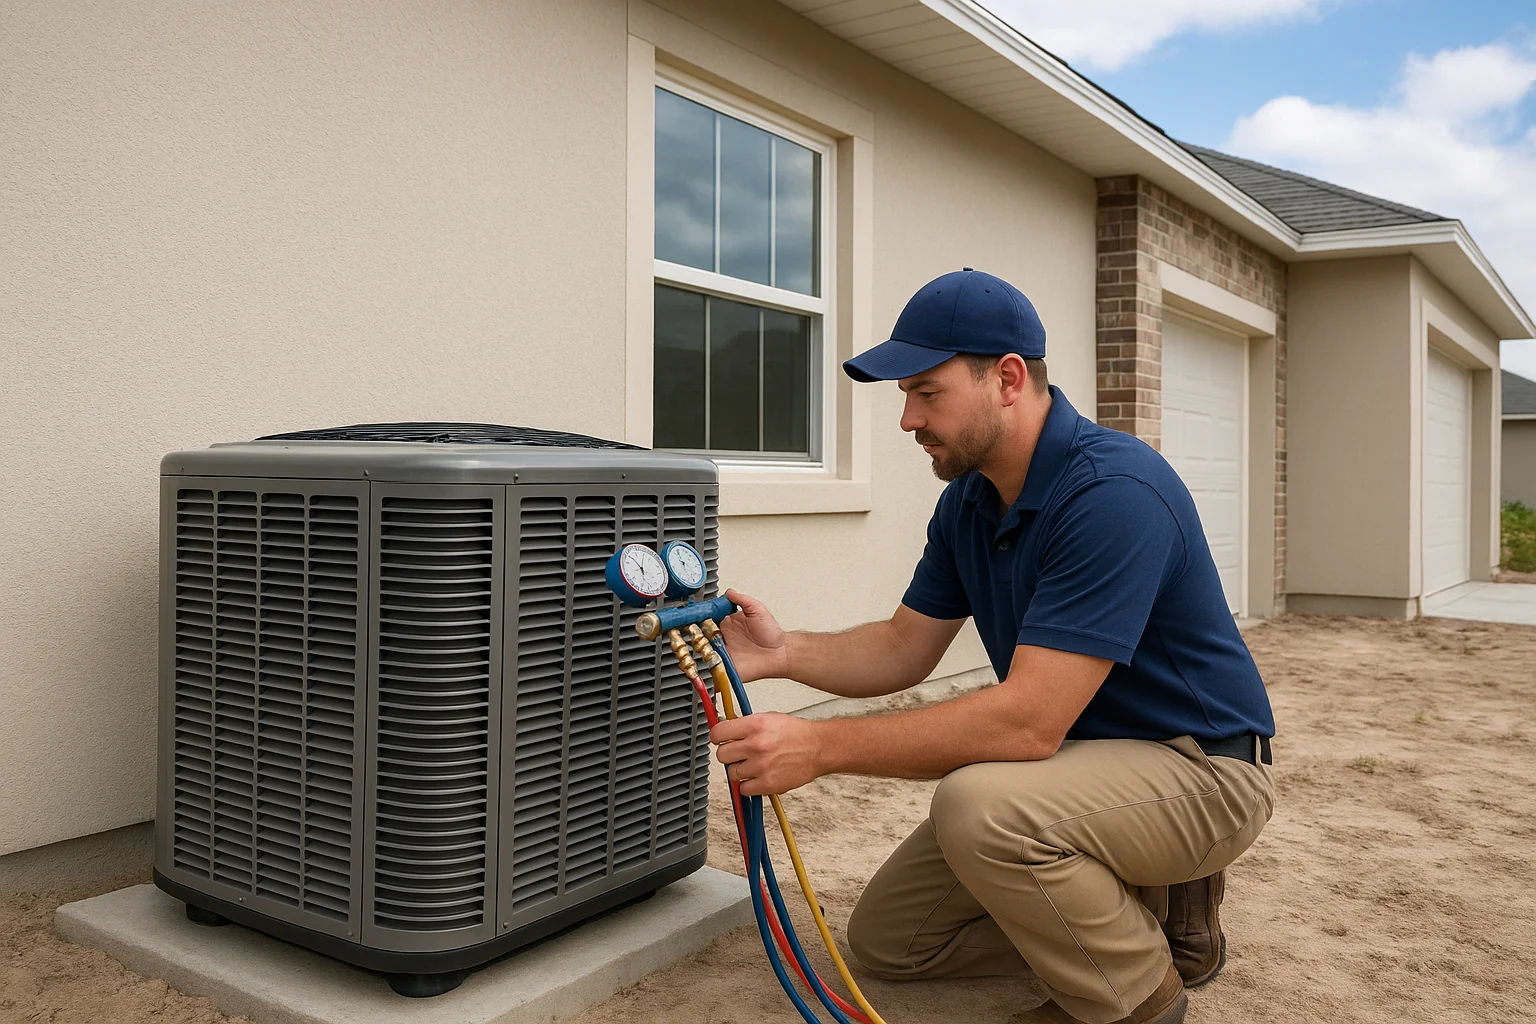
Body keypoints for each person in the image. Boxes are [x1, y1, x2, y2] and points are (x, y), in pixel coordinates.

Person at [711, 268, 1277, 1024]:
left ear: (1008, 378)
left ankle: (1135, 996)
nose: (908, 419)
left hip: (1200, 770)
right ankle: (1142, 902)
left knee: (980, 805)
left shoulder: (1115, 493)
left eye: (926, 392)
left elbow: (1026, 722)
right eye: (905, 396)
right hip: (1075, 772)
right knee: (892, 942)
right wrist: (782, 654)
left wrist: (818, 747)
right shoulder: (969, 502)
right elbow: (903, 647)